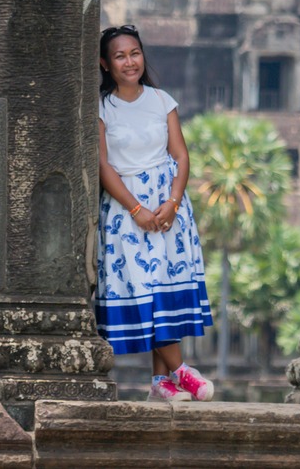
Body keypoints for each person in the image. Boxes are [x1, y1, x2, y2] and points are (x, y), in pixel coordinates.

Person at [95, 25, 217, 402]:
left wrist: (173, 202)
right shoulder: (101, 107)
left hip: (169, 207)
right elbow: (101, 163)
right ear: (105, 64)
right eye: (119, 56)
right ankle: (183, 372)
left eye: (134, 53)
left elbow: (181, 155)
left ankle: (161, 382)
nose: (129, 61)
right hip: (124, 207)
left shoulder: (161, 99)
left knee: (164, 288)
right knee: (144, 289)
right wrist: (135, 208)